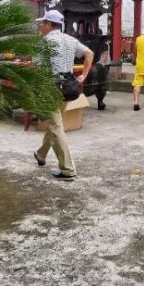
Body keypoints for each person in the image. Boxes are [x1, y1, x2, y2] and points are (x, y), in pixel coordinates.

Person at [33, 9, 93, 180]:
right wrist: (83, 75)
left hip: (50, 88)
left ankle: (67, 170)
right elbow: (89, 54)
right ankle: (41, 154)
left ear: (49, 24)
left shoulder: (45, 42)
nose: (41, 27)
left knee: (56, 127)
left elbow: (37, 67)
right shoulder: (70, 40)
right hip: (68, 88)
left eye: (42, 23)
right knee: (55, 123)